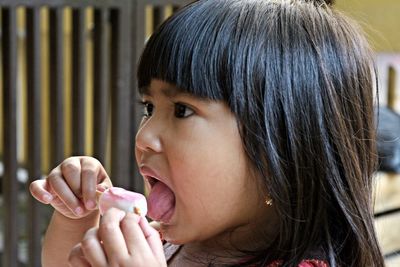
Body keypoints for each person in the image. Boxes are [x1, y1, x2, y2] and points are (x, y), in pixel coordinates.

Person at [30, 0, 385, 266]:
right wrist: (79, 220)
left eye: (182, 110)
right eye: (149, 108)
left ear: (279, 148)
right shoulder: (164, 241)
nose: (144, 137)